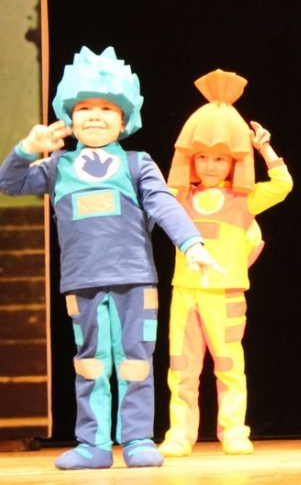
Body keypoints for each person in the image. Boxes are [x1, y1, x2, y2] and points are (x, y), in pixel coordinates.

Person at [0, 47, 219, 470]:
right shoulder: (57, 167)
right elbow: (10, 183)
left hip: (134, 281)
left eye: (106, 108)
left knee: (136, 360)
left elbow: (164, 205)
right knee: (91, 363)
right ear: (69, 117)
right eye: (84, 107)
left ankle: (136, 438)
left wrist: (192, 244)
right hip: (82, 282)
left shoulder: (137, 164)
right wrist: (27, 148)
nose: (95, 116)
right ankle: (93, 444)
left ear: (124, 120)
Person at [158, 69, 293, 457]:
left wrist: (265, 149)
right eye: (202, 157)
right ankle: (180, 432)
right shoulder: (179, 199)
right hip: (186, 293)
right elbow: (155, 194)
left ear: (234, 160)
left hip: (227, 293)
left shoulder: (242, 200)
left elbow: (283, 185)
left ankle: (233, 429)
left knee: (229, 364)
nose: (211, 165)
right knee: (181, 365)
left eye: (220, 158)